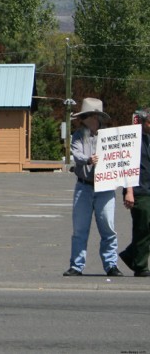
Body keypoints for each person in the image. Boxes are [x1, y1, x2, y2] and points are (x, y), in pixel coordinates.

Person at [64, 98, 123, 277]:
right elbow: (77, 154)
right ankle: (76, 265)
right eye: (84, 116)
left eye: (87, 116)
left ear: (95, 117)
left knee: (108, 227)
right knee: (80, 229)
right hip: (84, 186)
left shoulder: (109, 137)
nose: (84, 119)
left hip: (105, 187)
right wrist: (89, 160)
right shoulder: (78, 135)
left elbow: (120, 157)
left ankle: (111, 264)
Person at [120, 109, 150, 277]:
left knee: (146, 228)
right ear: (143, 123)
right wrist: (129, 192)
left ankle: (130, 254)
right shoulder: (133, 140)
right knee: (142, 227)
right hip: (138, 191)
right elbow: (127, 167)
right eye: (149, 123)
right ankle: (140, 266)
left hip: (149, 188)